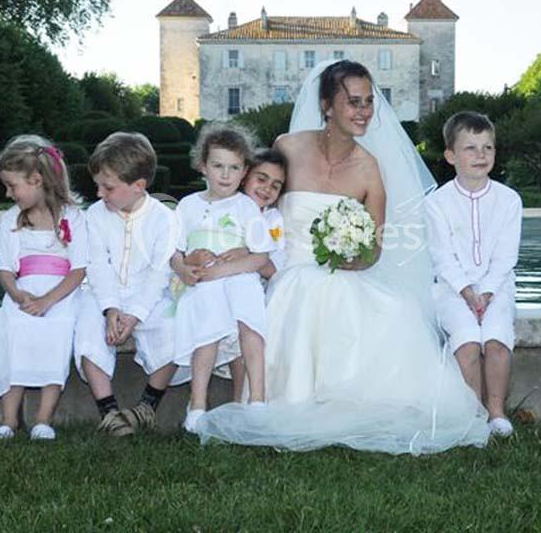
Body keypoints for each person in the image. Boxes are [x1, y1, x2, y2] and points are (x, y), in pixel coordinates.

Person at [195, 60, 490, 454]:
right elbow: (256, 206)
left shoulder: (370, 168)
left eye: (368, 102)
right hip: (289, 270)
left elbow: (374, 247)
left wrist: (351, 257)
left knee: (389, 308)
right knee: (303, 291)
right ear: (326, 105)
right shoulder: (288, 147)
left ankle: (346, 401)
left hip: (344, 271)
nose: (364, 111)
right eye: (353, 101)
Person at [0, 135, 87, 441]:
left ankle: (43, 420)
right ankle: (9, 420)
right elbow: (5, 270)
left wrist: (49, 301)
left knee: (58, 330)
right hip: (23, 294)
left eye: (12, 186)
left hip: (61, 295)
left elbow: (78, 270)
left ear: (36, 180)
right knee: (10, 328)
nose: (9, 193)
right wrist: (18, 295)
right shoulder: (11, 219)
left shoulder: (73, 217)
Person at [73, 132, 185, 437]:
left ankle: (146, 407)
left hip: (148, 294)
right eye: (98, 185)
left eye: (107, 187)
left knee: (177, 328)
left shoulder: (164, 218)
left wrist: (134, 314)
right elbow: (97, 266)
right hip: (101, 294)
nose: (99, 193)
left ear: (138, 186)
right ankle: (108, 411)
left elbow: (159, 273)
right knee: (86, 327)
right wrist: (110, 310)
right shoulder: (94, 216)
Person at [170, 123, 274, 431]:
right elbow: (173, 252)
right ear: (203, 166)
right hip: (202, 282)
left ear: (244, 172)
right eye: (218, 166)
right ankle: (198, 404)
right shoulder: (188, 206)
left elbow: (261, 255)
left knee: (250, 319)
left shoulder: (246, 207)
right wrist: (184, 269)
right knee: (207, 324)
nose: (226, 175)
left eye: (234, 168)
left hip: (238, 277)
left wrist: (223, 271)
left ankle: (257, 399)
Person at [424, 112, 522, 437]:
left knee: (496, 339)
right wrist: (467, 292)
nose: (481, 155)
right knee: (466, 341)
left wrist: (489, 292)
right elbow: (442, 256)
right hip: (453, 289)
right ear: (451, 156)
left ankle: (496, 411)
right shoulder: (436, 203)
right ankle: (474, 413)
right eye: (471, 148)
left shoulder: (509, 201)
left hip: (498, 287)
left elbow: (506, 256)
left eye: (487, 148)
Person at [209, 148, 288, 401]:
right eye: (261, 179)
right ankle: (225, 401)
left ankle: (240, 401)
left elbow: (274, 268)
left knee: (248, 322)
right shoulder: (224, 208)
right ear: (245, 177)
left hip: (256, 289)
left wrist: (250, 253)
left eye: (276, 185)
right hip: (217, 285)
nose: (267, 189)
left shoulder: (273, 220)